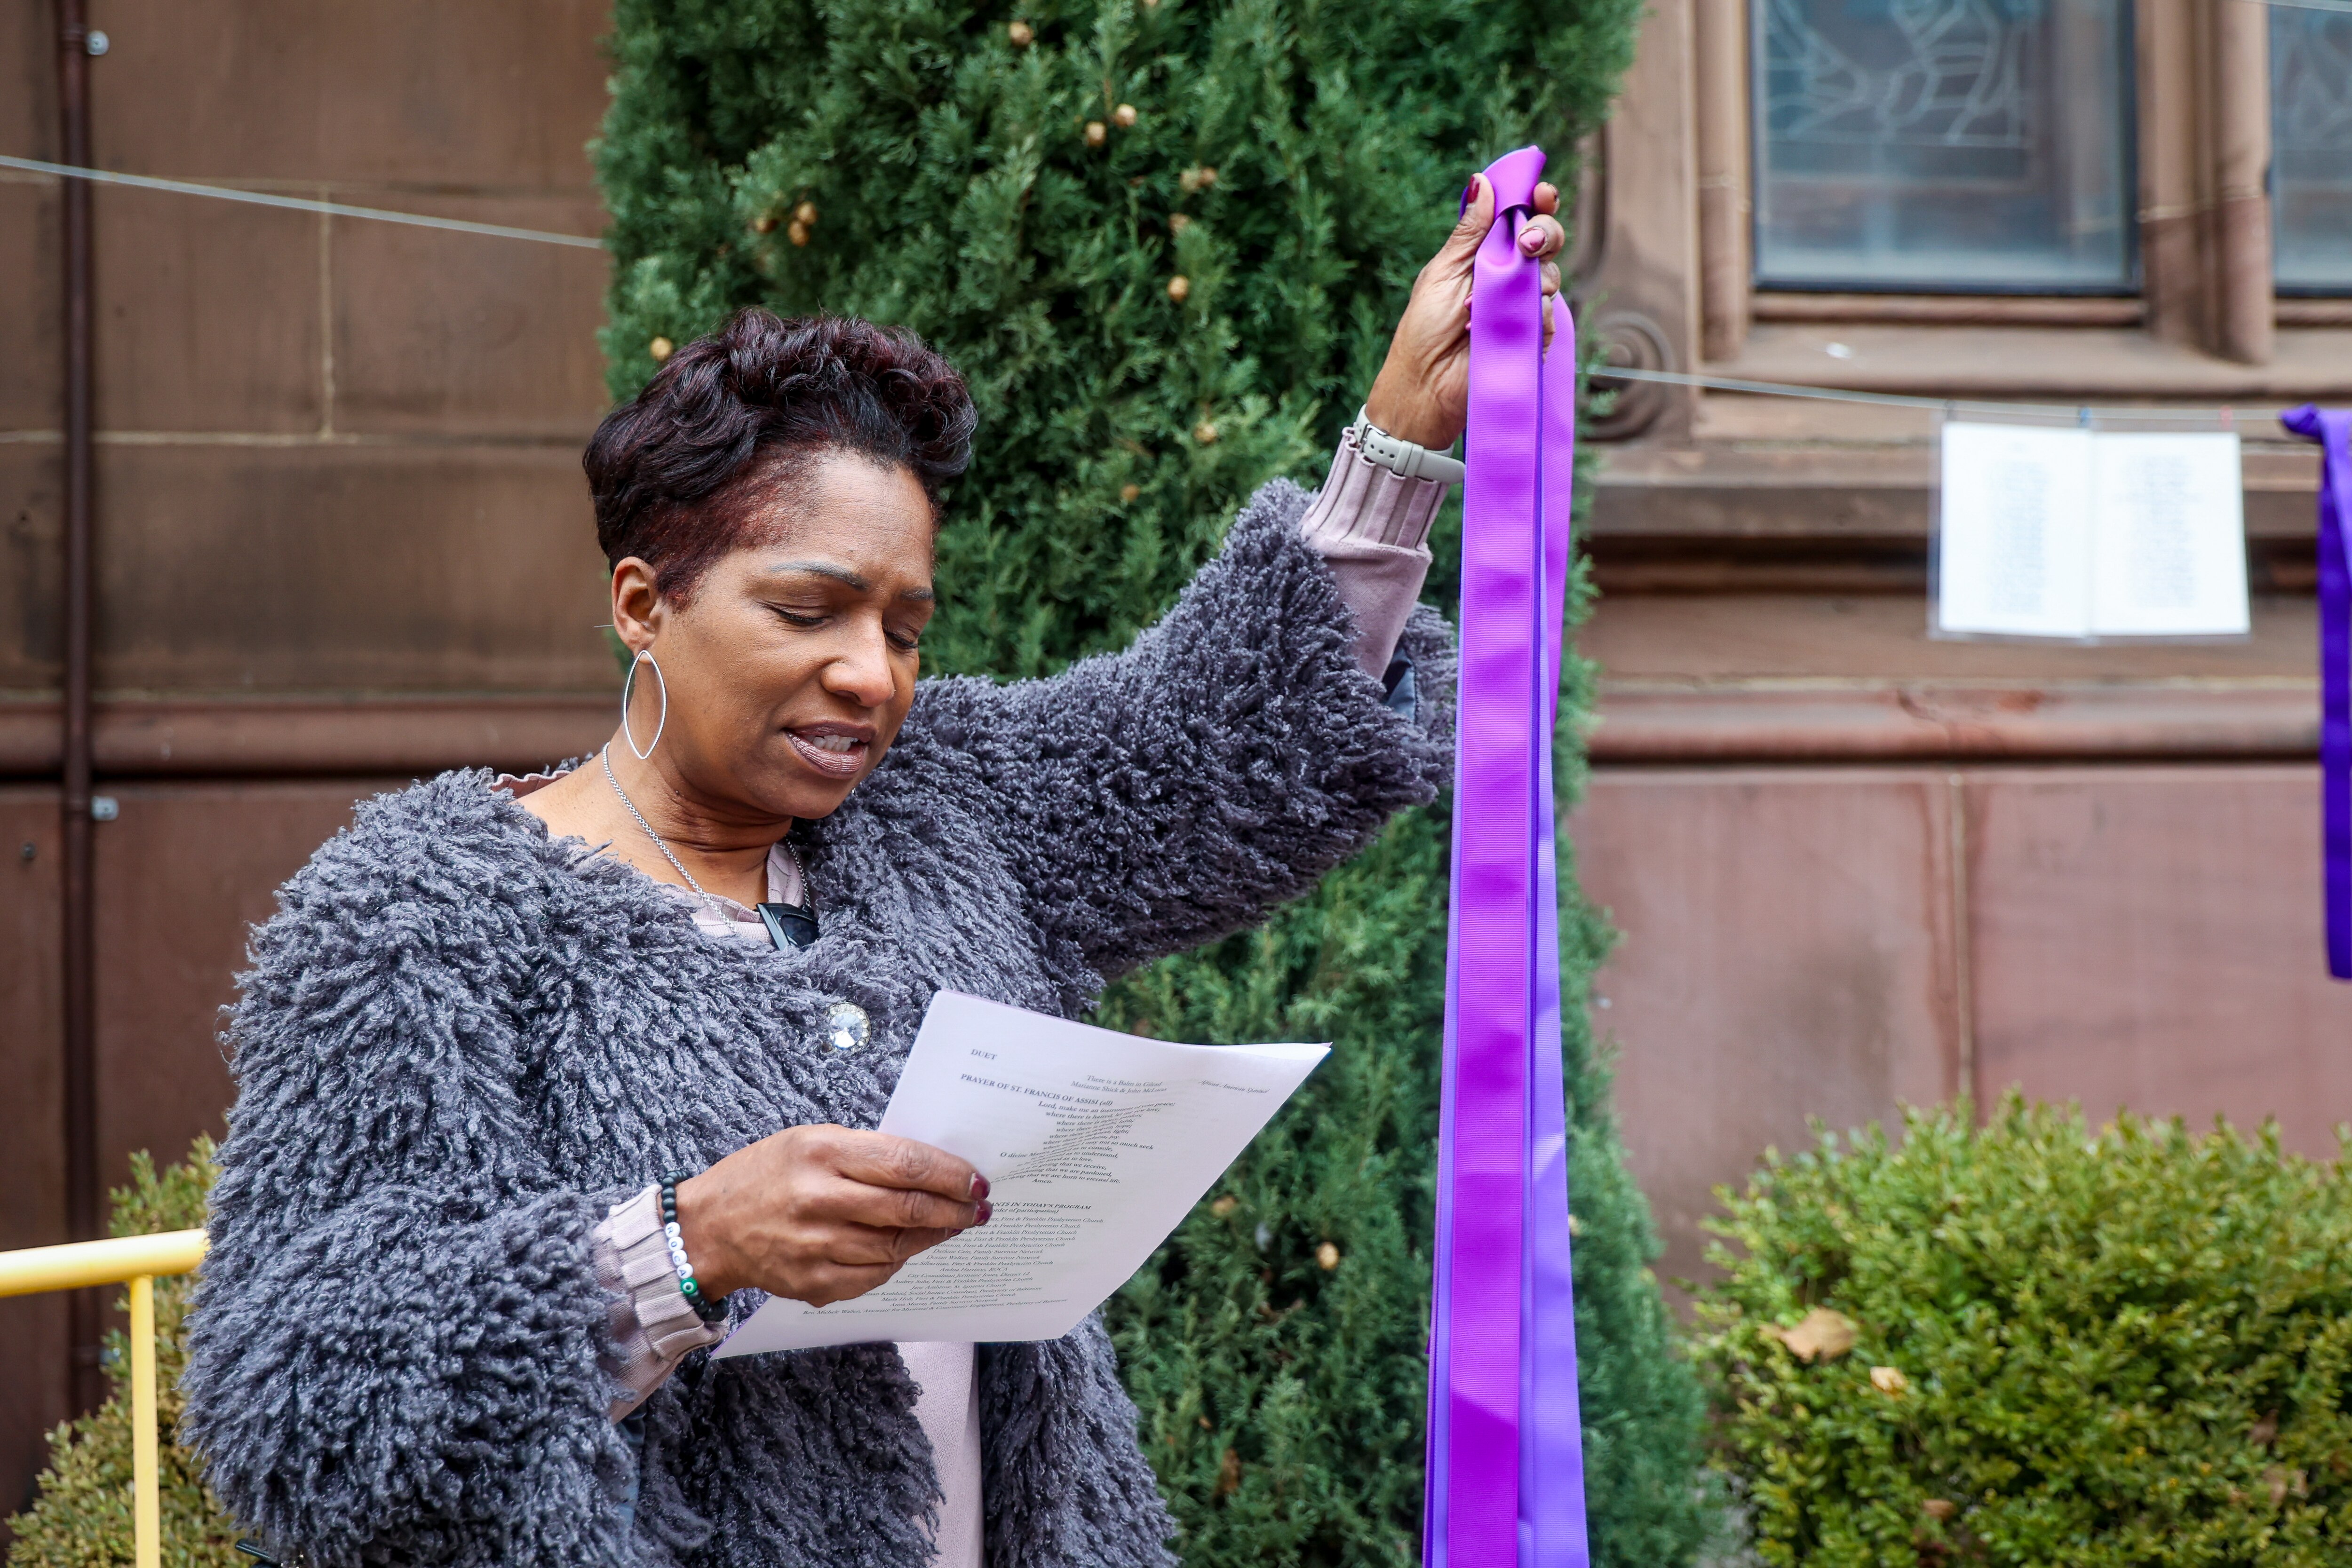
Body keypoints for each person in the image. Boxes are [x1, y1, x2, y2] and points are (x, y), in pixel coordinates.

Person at [183, 174, 1565, 1568]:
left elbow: (1219, 740)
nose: (871, 675)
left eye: (906, 626)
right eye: (808, 609)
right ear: (643, 605)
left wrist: (1398, 440)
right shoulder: (424, 919)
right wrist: (684, 1249)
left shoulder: (945, 799)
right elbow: (297, 1407)